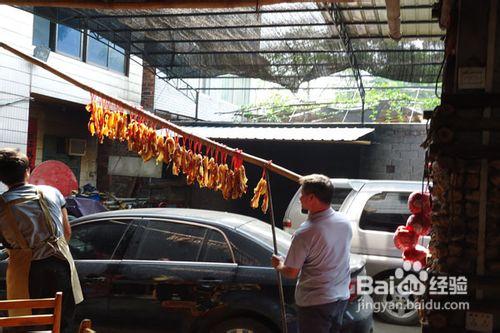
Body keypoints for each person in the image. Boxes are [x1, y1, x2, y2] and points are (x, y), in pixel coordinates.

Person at [0, 148, 83, 333]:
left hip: (24, 273)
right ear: (27, 171)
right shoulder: (52, 193)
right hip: (60, 265)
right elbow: (66, 232)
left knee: (24, 324)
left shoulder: (1, 205)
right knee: (61, 323)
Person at [271, 174, 352, 333]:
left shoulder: (306, 232)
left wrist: (279, 264)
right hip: (341, 298)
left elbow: (291, 272)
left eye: (302, 194)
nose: (300, 198)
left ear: (312, 198)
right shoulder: (344, 222)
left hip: (316, 303)